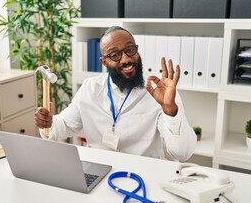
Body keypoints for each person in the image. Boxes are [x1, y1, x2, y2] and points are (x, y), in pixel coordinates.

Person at [35, 26, 196, 162]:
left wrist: (170, 110)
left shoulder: (160, 92)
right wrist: (47, 124)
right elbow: (64, 125)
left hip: (144, 174)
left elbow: (183, 154)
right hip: (99, 170)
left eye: (130, 50)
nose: (126, 59)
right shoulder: (90, 88)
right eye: (114, 54)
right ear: (104, 62)